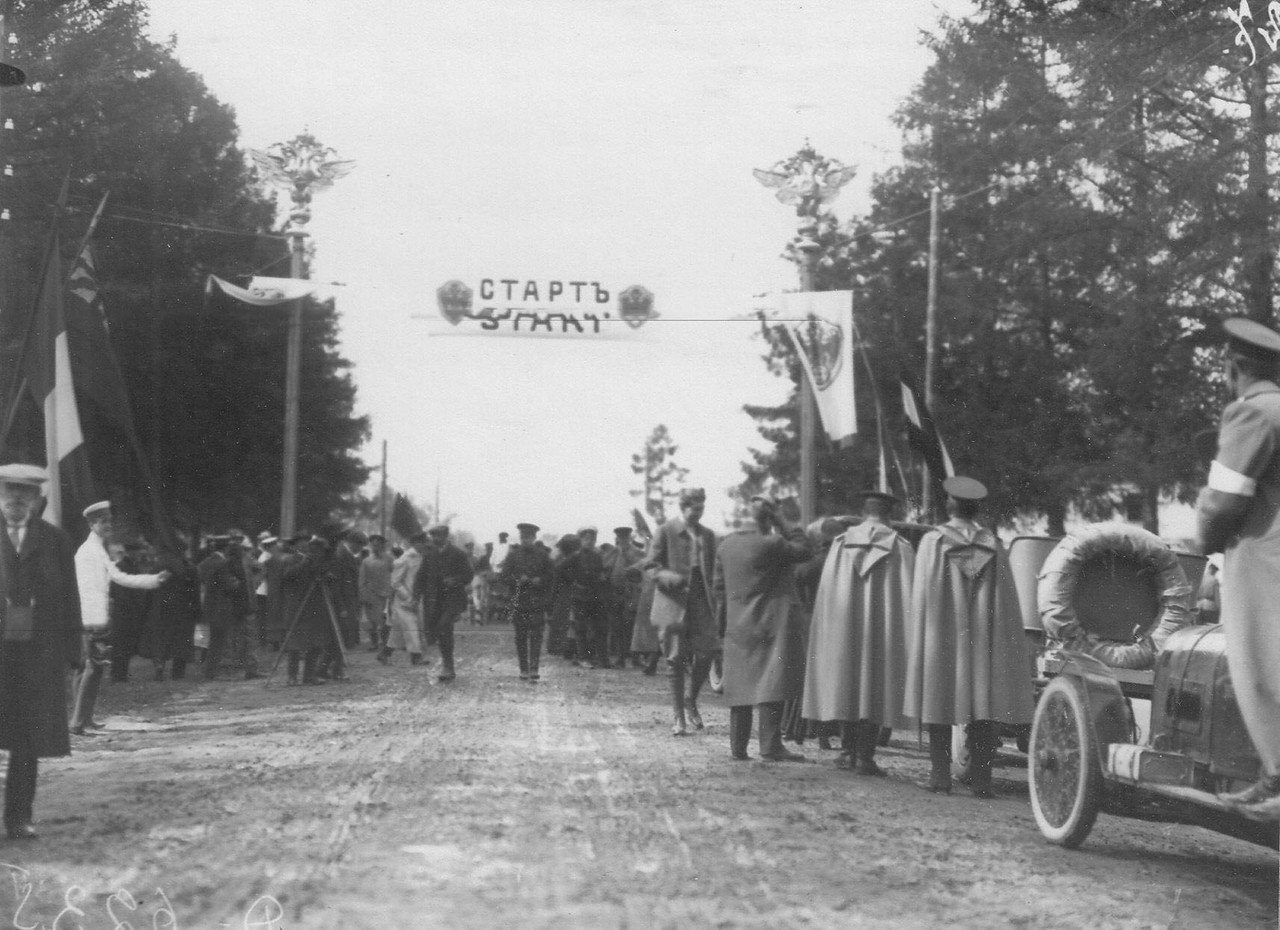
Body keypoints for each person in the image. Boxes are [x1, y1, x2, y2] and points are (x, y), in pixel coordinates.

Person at [903, 476, 1033, 798]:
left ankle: (940, 777)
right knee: (983, 702)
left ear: (950, 505)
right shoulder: (993, 545)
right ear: (976, 508)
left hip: (943, 636)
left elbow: (923, 600)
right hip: (983, 641)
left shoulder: (934, 542)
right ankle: (982, 782)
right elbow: (1005, 606)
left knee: (939, 697)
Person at [1195, 316, 1280, 809]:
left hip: (1262, 556)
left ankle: (1276, 774)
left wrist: (1205, 535)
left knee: (1260, 663)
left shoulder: (1250, 413)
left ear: (1234, 368)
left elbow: (1224, 502)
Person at [802, 493, 914, 775]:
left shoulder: (840, 545)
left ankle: (847, 751)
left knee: (847, 682)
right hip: (882, 632)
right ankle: (865, 756)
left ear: (864, 512)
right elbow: (909, 597)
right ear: (889, 515)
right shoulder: (900, 547)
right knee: (875, 686)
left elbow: (827, 594)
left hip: (845, 628)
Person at [0, 464, 83, 839]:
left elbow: (69, 597)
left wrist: (72, 649)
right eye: (9, 490)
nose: (16, 498)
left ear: (36, 499)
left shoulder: (55, 541)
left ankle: (19, 818)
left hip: (37, 656)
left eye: (25, 492)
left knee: (26, 739)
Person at [714, 494, 812, 762]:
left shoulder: (725, 546)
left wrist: (722, 627)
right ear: (767, 518)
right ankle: (770, 745)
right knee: (771, 680)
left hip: (737, 624)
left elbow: (718, 588)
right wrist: (782, 519)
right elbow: (804, 549)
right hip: (769, 622)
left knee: (741, 684)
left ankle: (738, 747)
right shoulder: (772, 542)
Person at [71, 501, 168, 733]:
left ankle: (85, 718)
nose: (108, 526)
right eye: (103, 522)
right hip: (92, 616)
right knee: (92, 668)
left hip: (94, 615)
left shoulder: (97, 549)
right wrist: (95, 619)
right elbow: (90, 589)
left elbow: (117, 576)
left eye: (110, 521)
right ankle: (77, 721)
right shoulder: (90, 552)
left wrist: (152, 580)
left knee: (90, 668)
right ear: (92, 524)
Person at [645, 487, 720, 736]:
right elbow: (651, 567)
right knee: (674, 659)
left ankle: (691, 698)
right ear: (683, 507)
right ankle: (679, 716)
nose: (698, 514)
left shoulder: (708, 535)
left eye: (701, 509)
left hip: (701, 601)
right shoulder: (666, 531)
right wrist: (671, 578)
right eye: (694, 509)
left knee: (708, 651)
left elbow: (716, 569)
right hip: (672, 603)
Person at [415, 524, 474, 681]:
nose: (436, 539)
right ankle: (448, 665)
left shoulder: (458, 554)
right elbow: (420, 576)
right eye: (433, 536)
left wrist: (455, 580)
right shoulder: (429, 555)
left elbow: (468, 575)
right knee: (438, 630)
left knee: (443, 627)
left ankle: (448, 667)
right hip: (435, 600)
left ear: (446, 536)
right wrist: (415, 596)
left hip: (454, 599)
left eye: (439, 536)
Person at [280, 536, 341, 685]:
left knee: (316, 642)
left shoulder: (319, 560)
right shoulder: (292, 559)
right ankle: (292, 677)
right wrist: (304, 563)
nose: (317, 553)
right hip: (298, 607)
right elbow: (287, 576)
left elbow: (322, 573)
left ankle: (309, 676)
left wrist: (326, 576)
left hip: (315, 607)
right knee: (295, 644)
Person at [197, 535, 255, 682]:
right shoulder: (222, 563)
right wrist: (237, 583)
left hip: (210, 605)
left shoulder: (208, 562)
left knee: (214, 640)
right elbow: (229, 586)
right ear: (226, 547)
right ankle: (212, 672)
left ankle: (210, 671)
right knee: (219, 641)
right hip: (220, 607)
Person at [138, 546, 200, 681]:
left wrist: (146, 610)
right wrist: (196, 610)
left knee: (160, 641)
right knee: (180, 643)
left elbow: (148, 591)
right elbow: (194, 592)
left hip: (159, 609)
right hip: (182, 610)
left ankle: (159, 667)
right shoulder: (188, 568)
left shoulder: (157, 566)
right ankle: (178, 674)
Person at [501, 522, 554, 680]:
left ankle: (534, 668)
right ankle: (524, 668)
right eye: (523, 537)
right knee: (521, 636)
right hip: (520, 601)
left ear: (534, 537)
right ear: (520, 537)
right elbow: (504, 576)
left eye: (529, 537)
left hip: (537, 601)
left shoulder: (543, 555)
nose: (526, 540)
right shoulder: (513, 555)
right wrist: (518, 579)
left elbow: (551, 576)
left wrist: (540, 580)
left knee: (537, 635)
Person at [563, 527, 611, 668]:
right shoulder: (575, 556)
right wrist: (574, 582)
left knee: (600, 628)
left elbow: (600, 573)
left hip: (596, 597)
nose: (590, 542)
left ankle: (602, 659)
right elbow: (560, 570)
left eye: (593, 539)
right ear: (581, 540)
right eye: (587, 539)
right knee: (581, 628)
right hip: (580, 597)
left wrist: (602, 577)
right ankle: (583, 658)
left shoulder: (597, 556)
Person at [382, 532, 426, 665]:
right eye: (422, 542)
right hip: (403, 600)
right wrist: (407, 596)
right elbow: (395, 582)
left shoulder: (420, 557)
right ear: (415, 543)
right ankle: (416, 657)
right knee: (411, 625)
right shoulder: (405, 558)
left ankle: (384, 653)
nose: (424, 545)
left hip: (415, 598)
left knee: (399, 631)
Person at [604, 526, 645, 669]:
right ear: (617, 539)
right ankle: (620, 658)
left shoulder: (638, 553)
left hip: (631, 595)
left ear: (630, 538)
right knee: (617, 627)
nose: (623, 541)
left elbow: (643, 569)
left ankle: (635, 658)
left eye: (625, 538)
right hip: (615, 594)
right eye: (620, 538)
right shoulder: (613, 553)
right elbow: (606, 568)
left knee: (633, 626)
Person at [359, 533, 394, 650]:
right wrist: (364, 596)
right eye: (373, 545)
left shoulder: (389, 559)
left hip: (386, 594)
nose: (376, 547)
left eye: (378, 545)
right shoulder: (366, 561)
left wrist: (393, 591)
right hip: (372, 595)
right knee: (372, 621)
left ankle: (385, 643)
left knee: (385, 621)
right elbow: (362, 580)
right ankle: (374, 643)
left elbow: (394, 575)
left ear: (383, 546)